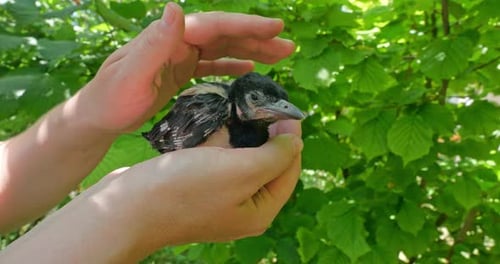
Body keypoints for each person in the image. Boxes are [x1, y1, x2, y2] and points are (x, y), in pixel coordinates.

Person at [0, 2, 302, 263]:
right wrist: (143, 207)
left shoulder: (258, 133)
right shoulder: (214, 107)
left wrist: (89, 115)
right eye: (256, 101)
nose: (276, 112)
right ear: (240, 100)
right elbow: (168, 141)